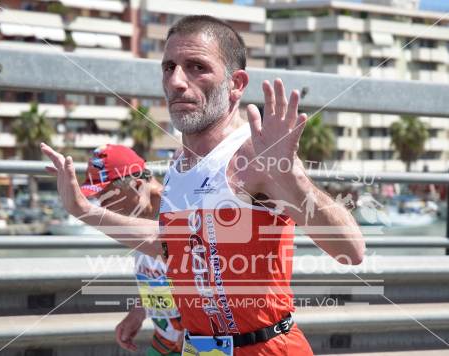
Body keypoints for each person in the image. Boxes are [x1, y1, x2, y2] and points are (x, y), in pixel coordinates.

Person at [42, 15, 365, 356]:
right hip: (197, 348)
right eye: (169, 67)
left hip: (264, 348)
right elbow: (169, 245)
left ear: (236, 84)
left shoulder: (255, 152)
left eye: (197, 67)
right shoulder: (179, 163)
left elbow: (352, 250)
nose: (177, 81)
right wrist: (84, 211)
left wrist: (292, 179)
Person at [79, 144, 183, 355]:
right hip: (166, 342)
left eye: (107, 197)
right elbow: (161, 281)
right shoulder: (141, 218)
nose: (103, 207)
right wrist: (140, 311)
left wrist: (198, 331)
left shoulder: (181, 212)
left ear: (137, 186)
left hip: (197, 343)